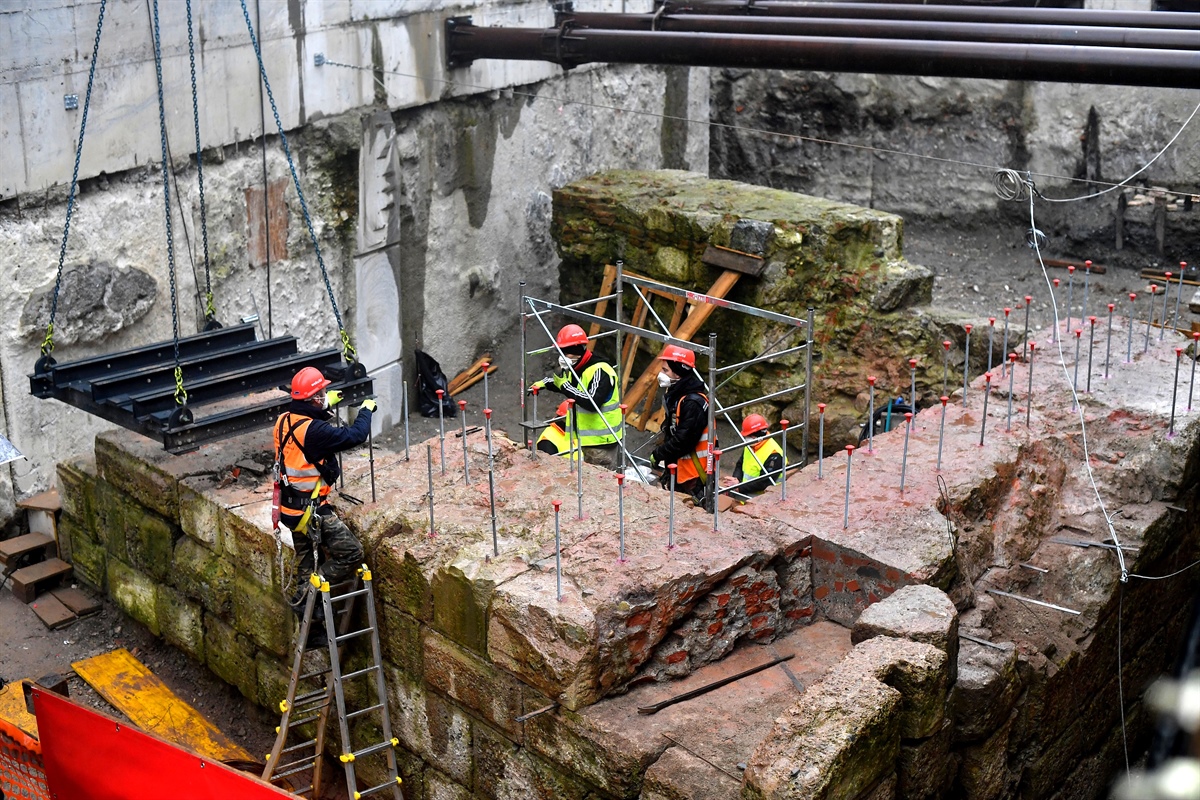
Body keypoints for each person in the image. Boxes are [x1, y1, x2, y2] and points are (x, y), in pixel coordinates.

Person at [273, 366, 376, 646]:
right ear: (312, 398)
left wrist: (327, 404)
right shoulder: (315, 431)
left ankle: (311, 626)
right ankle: (310, 594)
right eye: (320, 394)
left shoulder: (283, 420)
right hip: (313, 511)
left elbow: (303, 424)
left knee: (306, 563)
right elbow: (355, 435)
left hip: (291, 510)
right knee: (351, 553)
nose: (323, 396)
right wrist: (366, 410)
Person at [530, 324, 623, 467]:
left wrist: (564, 386)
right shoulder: (576, 366)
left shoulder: (600, 370)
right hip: (588, 439)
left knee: (598, 483)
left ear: (577, 351)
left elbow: (591, 402)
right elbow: (567, 385)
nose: (562, 357)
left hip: (602, 442)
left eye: (565, 353)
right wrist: (546, 383)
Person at [649, 345, 711, 504]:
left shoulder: (693, 403)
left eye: (666, 370)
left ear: (679, 372)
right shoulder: (677, 394)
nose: (661, 374)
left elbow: (683, 440)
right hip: (682, 469)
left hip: (694, 474)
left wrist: (659, 454)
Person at [724, 414, 785, 496]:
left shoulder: (774, 454)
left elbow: (764, 483)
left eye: (749, 435)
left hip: (765, 499)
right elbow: (740, 464)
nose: (746, 438)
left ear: (758, 436)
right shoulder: (751, 445)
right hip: (745, 494)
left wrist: (738, 488)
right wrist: (736, 479)